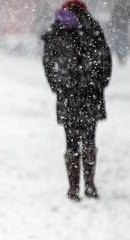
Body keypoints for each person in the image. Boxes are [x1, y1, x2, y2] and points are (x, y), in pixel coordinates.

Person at [42, 0, 112, 201]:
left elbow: (48, 61)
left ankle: (73, 188)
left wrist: (58, 85)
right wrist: (99, 83)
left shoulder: (57, 28)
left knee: (71, 141)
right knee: (90, 138)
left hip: (68, 94)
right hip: (91, 92)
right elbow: (105, 58)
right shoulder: (93, 26)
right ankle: (90, 185)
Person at [111, 0, 130, 65]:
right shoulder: (124, 6)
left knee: (120, 44)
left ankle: (121, 57)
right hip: (121, 29)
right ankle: (121, 57)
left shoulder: (119, 7)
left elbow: (113, 17)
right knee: (121, 44)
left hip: (120, 29)